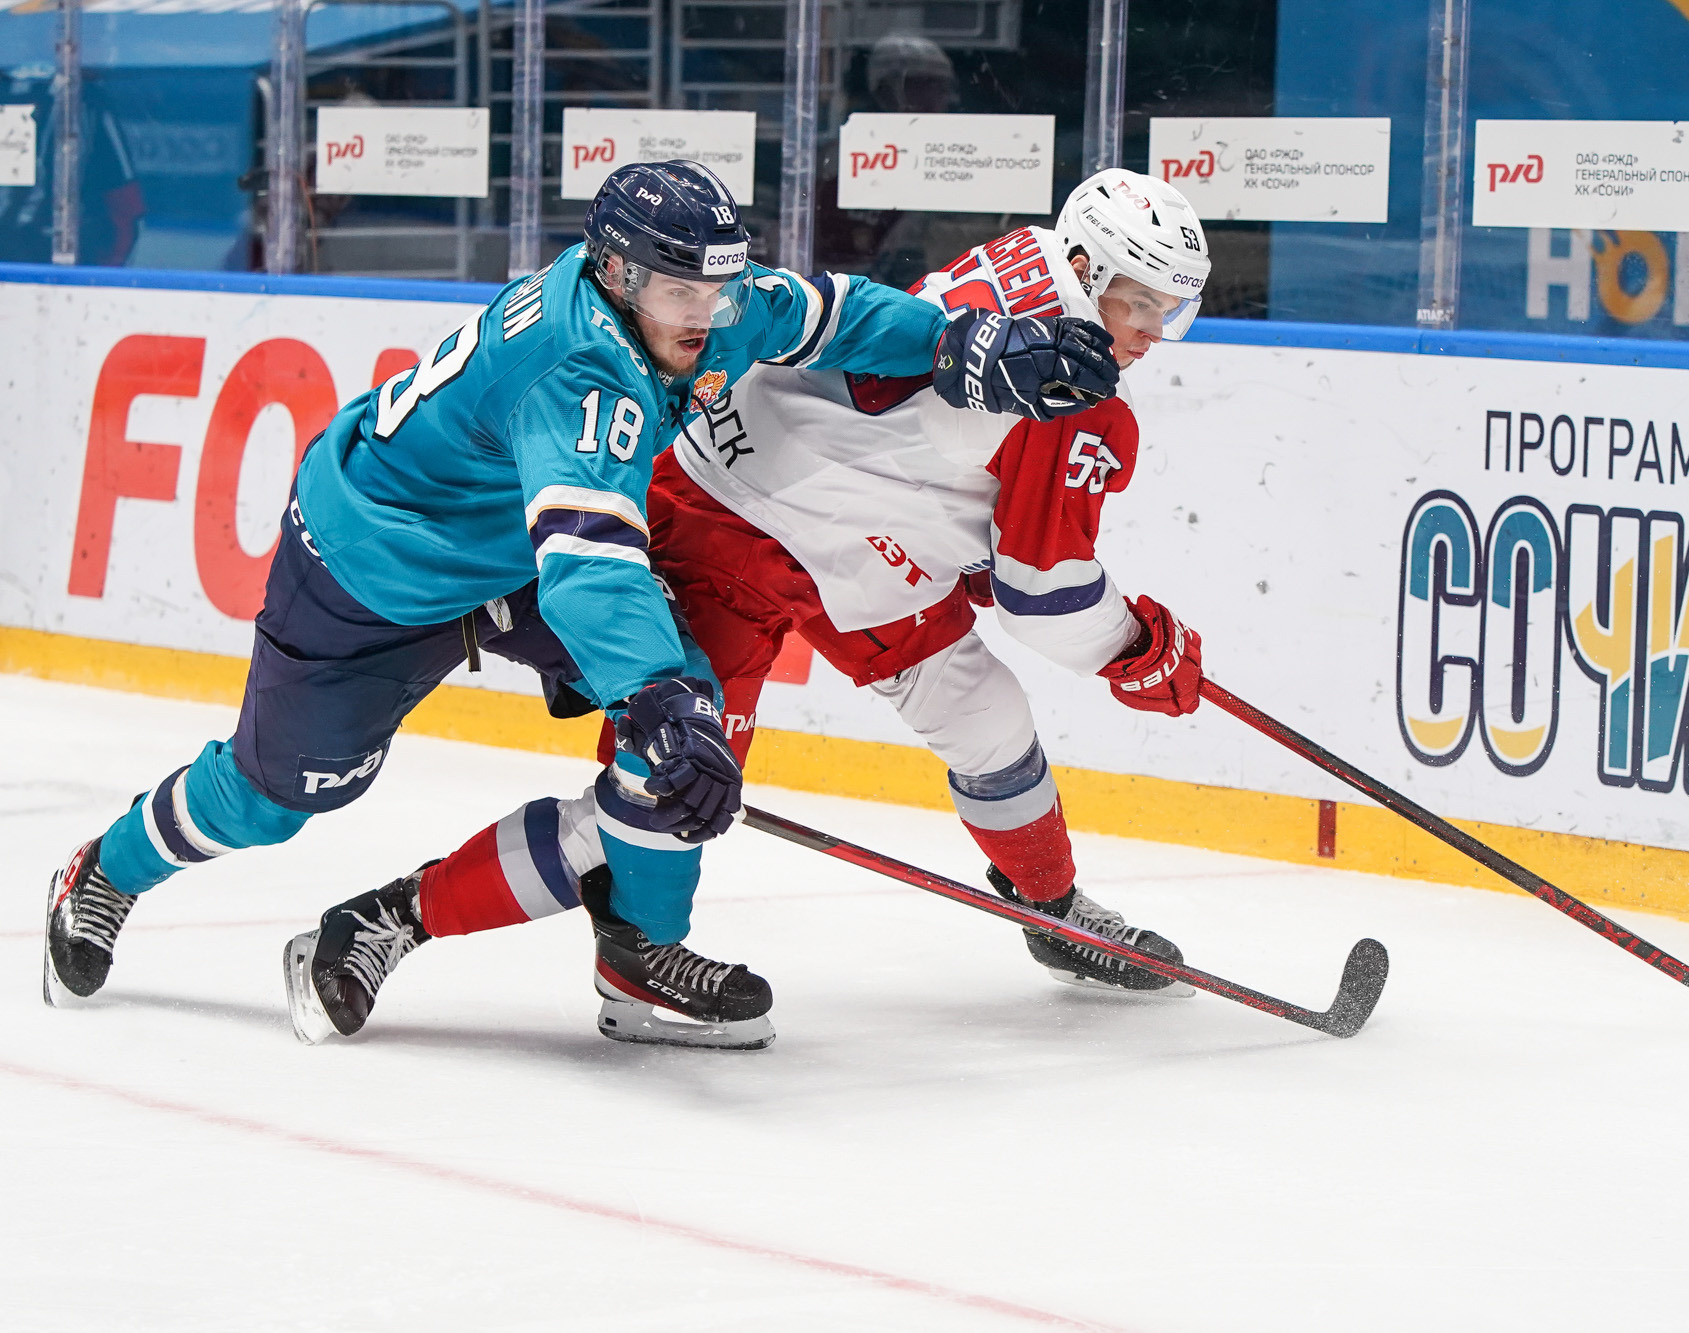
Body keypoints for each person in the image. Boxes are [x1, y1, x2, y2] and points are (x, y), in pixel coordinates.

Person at [43, 159, 1120, 1053]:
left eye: (715, 291)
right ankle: (104, 871)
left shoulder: (685, 295)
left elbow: (829, 315)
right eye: (679, 297)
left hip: (502, 545)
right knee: (274, 800)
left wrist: (961, 345)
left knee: (687, 696)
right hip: (377, 570)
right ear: (613, 273)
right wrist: (651, 695)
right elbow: (592, 561)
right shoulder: (581, 371)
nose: (705, 319)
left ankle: (642, 951)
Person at [317, 168, 1211, 1036]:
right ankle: (410, 916)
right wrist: (1139, 650)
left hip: (849, 540)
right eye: (1141, 303)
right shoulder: (1081, 396)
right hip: (736, 526)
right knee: (668, 785)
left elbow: (920, 420)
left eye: (1169, 308)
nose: (1152, 330)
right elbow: (1044, 595)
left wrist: (967, 534)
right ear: (1087, 269)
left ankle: (1053, 908)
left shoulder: (1029, 257)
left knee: (984, 713)